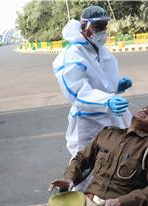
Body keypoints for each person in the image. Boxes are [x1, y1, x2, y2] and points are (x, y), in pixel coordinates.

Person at [18, 104, 148, 206]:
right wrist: (69, 178)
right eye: (145, 108)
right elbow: (81, 158)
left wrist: (122, 202)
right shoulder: (108, 134)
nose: (145, 110)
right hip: (80, 204)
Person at [52, 6, 133, 191]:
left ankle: (103, 200)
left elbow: (101, 82)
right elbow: (77, 93)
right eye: (97, 26)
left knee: (111, 158)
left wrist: (116, 86)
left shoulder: (97, 49)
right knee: (85, 164)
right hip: (87, 121)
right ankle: (77, 204)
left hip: (108, 116)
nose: (102, 31)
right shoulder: (72, 54)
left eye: (104, 25)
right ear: (84, 26)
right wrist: (107, 100)